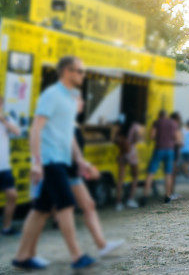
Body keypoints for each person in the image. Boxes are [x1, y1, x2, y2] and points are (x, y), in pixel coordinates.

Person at [12, 56, 96, 270]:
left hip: (62, 158)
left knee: (41, 208)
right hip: (50, 160)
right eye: (79, 71)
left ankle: (22, 256)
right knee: (66, 204)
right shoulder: (51, 95)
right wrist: (37, 162)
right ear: (67, 71)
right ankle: (77, 256)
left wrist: (79, 159)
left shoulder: (70, 98)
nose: (82, 75)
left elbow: (68, 134)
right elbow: (36, 129)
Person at [66, 106, 125, 259]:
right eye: (77, 99)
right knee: (53, 212)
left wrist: (83, 165)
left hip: (71, 173)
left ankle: (101, 245)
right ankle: (78, 255)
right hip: (61, 171)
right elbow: (68, 148)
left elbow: (75, 149)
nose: (82, 102)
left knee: (88, 205)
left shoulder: (72, 123)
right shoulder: (64, 122)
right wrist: (84, 164)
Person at [142, 109, 179, 204]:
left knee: (151, 172)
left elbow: (152, 136)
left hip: (159, 149)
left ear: (159, 115)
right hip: (170, 150)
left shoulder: (157, 122)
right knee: (168, 173)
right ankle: (167, 196)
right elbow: (177, 138)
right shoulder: (173, 123)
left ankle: (145, 196)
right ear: (166, 115)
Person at [0, 95, 21, 235]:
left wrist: (3, 120)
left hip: (4, 167)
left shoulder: (6, 120)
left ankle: (6, 228)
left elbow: (17, 132)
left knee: (12, 195)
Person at [114, 120, 142, 210]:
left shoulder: (120, 129)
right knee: (135, 176)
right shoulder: (135, 125)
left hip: (121, 153)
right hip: (131, 152)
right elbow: (137, 139)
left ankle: (118, 203)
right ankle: (130, 200)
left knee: (120, 179)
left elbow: (115, 140)